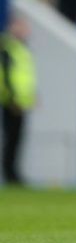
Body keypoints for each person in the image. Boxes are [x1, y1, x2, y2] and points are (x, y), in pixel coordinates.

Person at [0, 16, 35, 185]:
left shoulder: (20, 48)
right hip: (11, 102)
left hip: (21, 101)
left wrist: (30, 95)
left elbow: (23, 77)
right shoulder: (8, 48)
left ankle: (13, 174)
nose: (24, 30)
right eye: (21, 26)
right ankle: (10, 175)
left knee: (17, 139)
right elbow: (6, 76)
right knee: (11, 139)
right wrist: (12, 97)